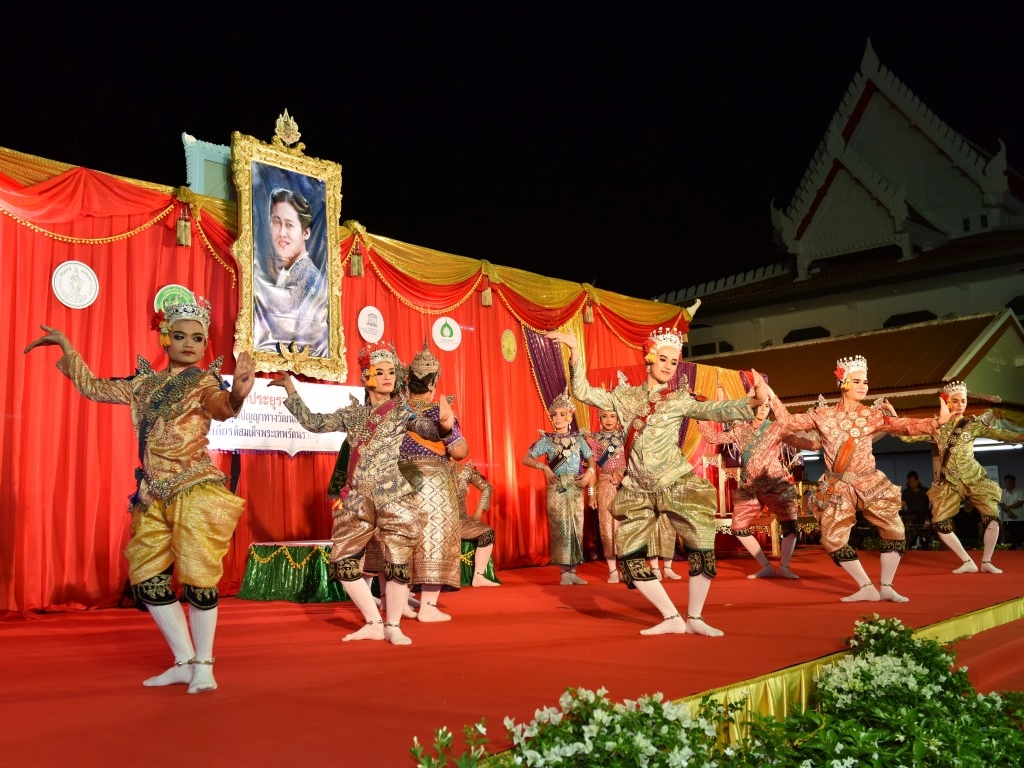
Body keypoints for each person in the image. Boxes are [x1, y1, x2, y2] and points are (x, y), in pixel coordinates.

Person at [24, 293, 255, 694]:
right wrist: (68, 349)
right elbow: (95, 388)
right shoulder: (144, 384)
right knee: (147, 581)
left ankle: (205, 664)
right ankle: (184, 661)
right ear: (166, 338)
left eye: (197, 339)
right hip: (150, 495)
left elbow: (220, 406)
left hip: (194, 489)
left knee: (199, 580)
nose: (188, 343)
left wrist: (237, 394)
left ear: (204, 346)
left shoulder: (203, 381)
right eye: (180, 336)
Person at [548, 328, 768, 636]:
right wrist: (574, 352)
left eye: (674, 362)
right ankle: (671, 617)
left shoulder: (678, 399)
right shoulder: (624, 398)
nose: (668, 366)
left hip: (676, 482)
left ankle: (696, 618)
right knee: (629, 557)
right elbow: (583, 391)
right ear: (649, 358)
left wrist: (752, 402)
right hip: (638, 488)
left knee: (702, 544)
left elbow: (712, 408)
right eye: (663, 359)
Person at [271, 341, 455, 645]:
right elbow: (314, 423)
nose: (387, 377)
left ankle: (393, 626)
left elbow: (426, 428)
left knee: (396, 563)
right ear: (365, 377)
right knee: (342, 563)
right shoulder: (352, 415)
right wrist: (290, 389)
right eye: (379, 372)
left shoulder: (401, 412)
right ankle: (372, 621)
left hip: (393, 495)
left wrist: (444, 428)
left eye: (392, 372)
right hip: (356, 499)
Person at [769, 355, 944, 603]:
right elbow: (786, 422)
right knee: (831, 539)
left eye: (866, 381)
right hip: (837, 485)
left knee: (894, 529)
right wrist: (769, 394)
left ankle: (886, 586)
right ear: (843, 382)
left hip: (869, 482)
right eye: (858, 381)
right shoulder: (823, 415)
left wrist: (934, 422)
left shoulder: (871, 415)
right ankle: (866, 586)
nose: (864, 386)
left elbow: (901, 425)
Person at [898, 381, 1024, 572]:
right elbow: (908, 436)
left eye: (963, 401)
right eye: (955, 401)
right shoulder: (936, 425)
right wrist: (892, 420)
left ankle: (987, 561)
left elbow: (998, 433)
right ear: (947, 402)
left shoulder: (972, 424)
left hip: (974, 478)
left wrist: (1020, 436)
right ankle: (967, 561)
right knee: (940, 524)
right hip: (949, 481)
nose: (960, 405)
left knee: (992, 518)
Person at [696, 399, 820, 579]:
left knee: (790, 526)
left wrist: (823, 439)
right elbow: (713, 438)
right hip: (750, 486)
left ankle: (784, 566)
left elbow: (803, 443)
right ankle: (766, 566)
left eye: (767, 406)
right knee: (738, 528)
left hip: (775, 483)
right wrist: (699, 417)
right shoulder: (740, 430)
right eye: (759, 405)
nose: (763, 409)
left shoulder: (777, 428)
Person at [396, 341, 468, 621]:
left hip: (398, 480)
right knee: (434, 537)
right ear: (434, 382)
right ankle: (427, 606)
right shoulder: (438, 414)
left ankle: (399, 601)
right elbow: (460, 451)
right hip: (434, 482)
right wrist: (449, 430)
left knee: (401, 538)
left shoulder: (394, 410)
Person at [522, 389, 597, 585]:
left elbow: (591, 460)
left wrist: (589, 474)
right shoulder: (547, 440)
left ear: (570, 416)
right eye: (554, 414)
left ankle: (574, 570)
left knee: (576, 527)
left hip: (576, 486)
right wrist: (544, 467)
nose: (557, 418)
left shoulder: (579, 439)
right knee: (561, 528)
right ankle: (564, 572)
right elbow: (526, 458)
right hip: (556, 488)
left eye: (562, 414)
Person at [253, 187, 328, 357]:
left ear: (306, 232)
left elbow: (304, 337)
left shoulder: (311, 278)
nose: (281, 233)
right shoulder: (286, 271)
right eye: (276, 222)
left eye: (289, 225)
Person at [450, 457, 501, 586]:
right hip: (434, 522)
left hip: (460, 521)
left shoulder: (465, 471)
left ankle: (478, 576)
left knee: (487, 533)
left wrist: (479, 510)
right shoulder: (431, 468)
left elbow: (487, 487)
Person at [900, 470, 932, 550]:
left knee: (925, 543)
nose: (911, 484)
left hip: (924, 519)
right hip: (911, 520)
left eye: (913, 481)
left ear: (917, 481)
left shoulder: (926, 491)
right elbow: (902, 504)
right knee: (910, 542)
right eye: (909, 482)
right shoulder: (906, 492)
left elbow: (933, 503)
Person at [1000, 474, 1024, 550]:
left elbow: (1020, 503)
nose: (1010, 483)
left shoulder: (1020, 491)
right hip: (1008, 520)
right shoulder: (1002, 492)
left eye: (1011, 481)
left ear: (1014, 482)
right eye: (1008, 482)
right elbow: (1002, 504)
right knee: (1009, 541)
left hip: (1020, 520)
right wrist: (1009, 512)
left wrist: (1009, 507)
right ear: (1005, 482)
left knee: (1020, 540)